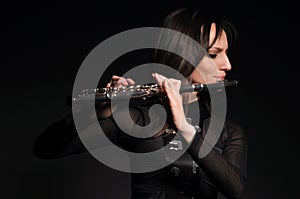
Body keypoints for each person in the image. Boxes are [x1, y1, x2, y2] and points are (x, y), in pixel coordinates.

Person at [33, 8, 247, 199]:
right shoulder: (139, 117)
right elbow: (45, 148)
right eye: (214, 54)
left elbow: (234, 189)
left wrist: (186, 129)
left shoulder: (228, 131)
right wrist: (97, 113)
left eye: (226, 53)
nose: (227, 64)